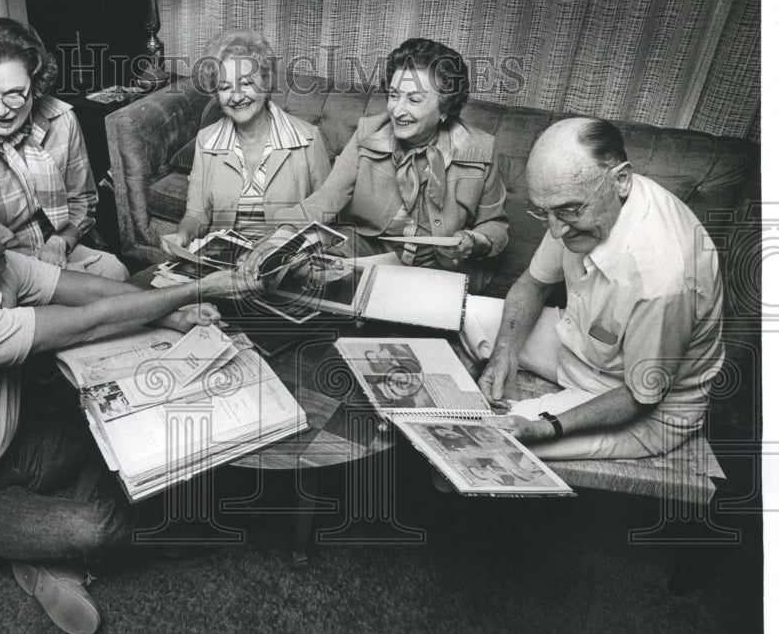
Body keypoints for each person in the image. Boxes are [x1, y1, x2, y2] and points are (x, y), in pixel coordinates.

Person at [0, 177, 256, 634]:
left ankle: (40, 545)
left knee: (117, 428)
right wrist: (197, 290)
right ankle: (34, 545)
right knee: (102, 528)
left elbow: (89, 292)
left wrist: (173, 317)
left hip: (16, 445)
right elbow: (87, 324)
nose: (8, 236)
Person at [469, 117, 724, 459]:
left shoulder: (664, 277)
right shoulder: (578, 198)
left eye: (569, 211)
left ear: (620, 179)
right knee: (459, 314)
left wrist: (547, 426)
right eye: (545, 213)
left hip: (636, 404)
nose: (557, 231)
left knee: (478, 442)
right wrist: (504, 356)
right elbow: (533, 284)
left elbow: (639, 396)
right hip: (578, 347)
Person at [260, 37, 509, 294]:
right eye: (393, 95)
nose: (398, 110)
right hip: (371, 252)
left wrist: (471, 240)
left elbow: (496, 226)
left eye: (414, 100)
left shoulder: (480, 148)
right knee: (300, 265)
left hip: (441, 267)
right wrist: (281, 236)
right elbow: (326, 198)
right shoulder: (369, 133)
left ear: (445, 108)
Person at [0, 17, 129, 280]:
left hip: (59, 248)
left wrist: (60, 243)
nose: (2, 110)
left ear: (36, 83)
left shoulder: (63, 120)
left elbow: (82, 199)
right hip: (1, 267)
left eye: (15, 94)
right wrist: (44, 276)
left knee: (115, 272)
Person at [160, 29, 331, 253]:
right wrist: (182, 236)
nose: (237, 97)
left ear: (266, 83)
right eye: (225, 87)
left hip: (286, 262)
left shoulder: (307, 139)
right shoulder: (207, 140)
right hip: (224, 263)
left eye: (246, 83)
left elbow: (327, 218)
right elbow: (196, 214)